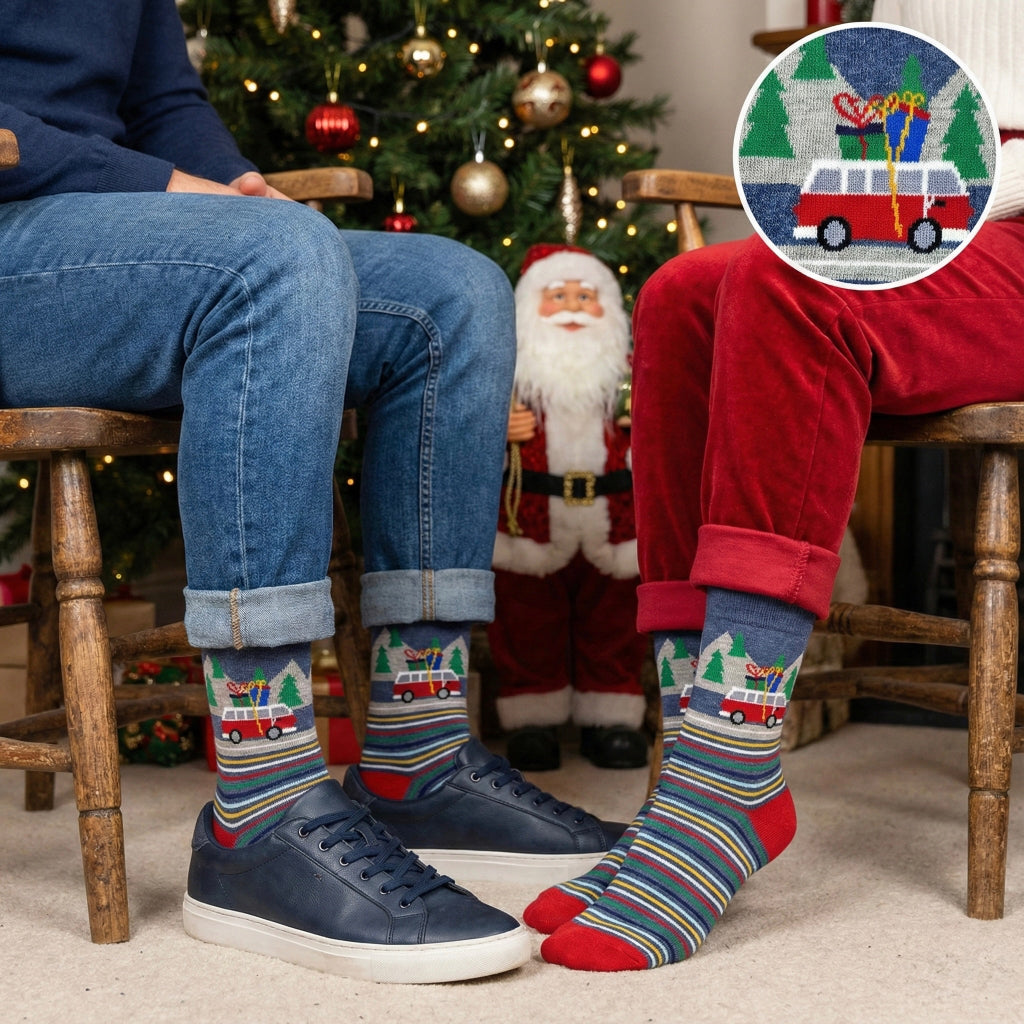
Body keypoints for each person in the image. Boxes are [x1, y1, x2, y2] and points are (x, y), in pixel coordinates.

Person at [0, 0, 622, 983]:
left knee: (451, 294)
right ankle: (261, 806)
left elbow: (160, 98)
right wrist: (176, 191)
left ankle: (418, 754)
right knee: (276, 257)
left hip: (107, 227)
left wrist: (234, 180)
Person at [526, 0, 1024, 972]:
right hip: (928, 208)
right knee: (679, 296)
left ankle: (727, 774)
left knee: (792, 284)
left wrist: (967, 183)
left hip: (994, 217)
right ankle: (698, 769)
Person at [488, 243, 648, 772]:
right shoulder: (508, 374)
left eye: (586, 296)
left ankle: (612, 718)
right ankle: (532, 719)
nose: (573, 308)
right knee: (526, 618)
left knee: (615, 618)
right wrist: (496, 423)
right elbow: (459, 428)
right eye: (558, 296)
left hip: (614, 517)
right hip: (530, 518)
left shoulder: (631, 372)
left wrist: (646, 421)